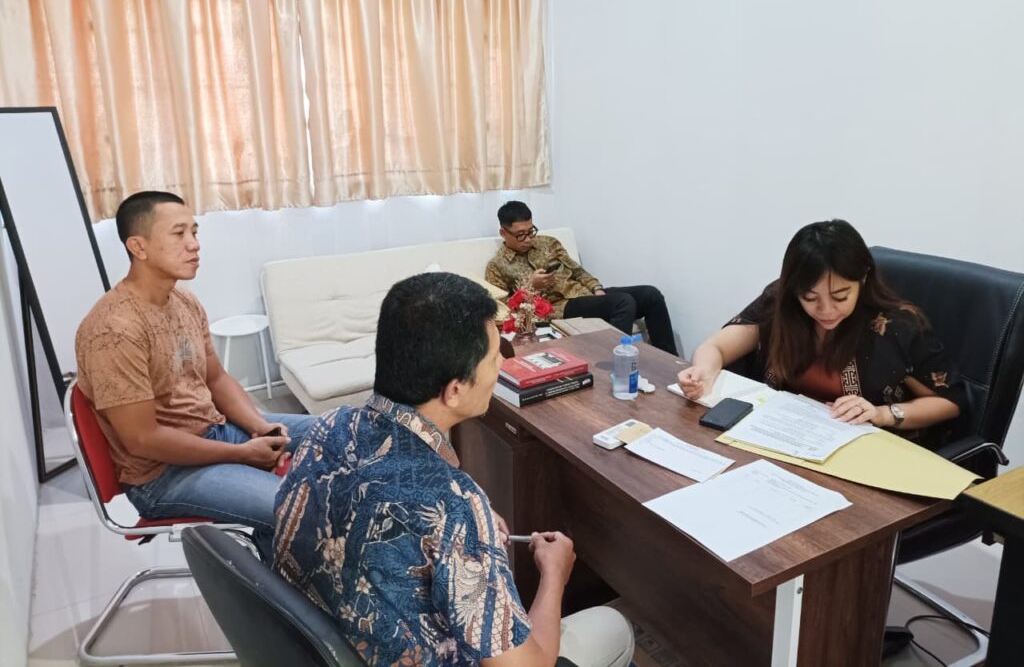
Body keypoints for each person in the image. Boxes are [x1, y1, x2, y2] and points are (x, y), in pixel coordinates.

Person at [274, 272, 634, 667]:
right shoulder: (455, 506)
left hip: (322, 644)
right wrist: (554, 574)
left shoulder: (327, 427)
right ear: (455, 390)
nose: (502, 364)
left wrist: (469, 523)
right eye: (494, 358)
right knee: (612, 626)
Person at [75, 191, 316, 561]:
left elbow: (216, 379)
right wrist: (240, 454)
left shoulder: (184, 301)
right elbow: (142, 439)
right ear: (138, 246)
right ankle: (277, 586)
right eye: (178, 234)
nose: (194, 244)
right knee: (298, 512)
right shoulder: (114, 330)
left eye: (194, 232)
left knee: (346, 431)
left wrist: (258, 426)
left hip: (216, 431)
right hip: (163, 474)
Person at [677, 219, 964, 443]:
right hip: (782, 437)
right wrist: (703, 371)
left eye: (840, 296)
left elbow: (949, 403)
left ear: (863, 279)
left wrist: (882, 414)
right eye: (810, 297)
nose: (826, 310)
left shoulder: (896, 326)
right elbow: (716, 347)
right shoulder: (780, 303)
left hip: (861, 451)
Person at [485, 201, 678, 355]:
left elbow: (577, 271)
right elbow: (503, 310)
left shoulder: (548, 243)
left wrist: (596, 288)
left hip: (585, 295)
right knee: (623, 301)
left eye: (530, 231)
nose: (528, 239)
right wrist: (531, 287)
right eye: (520, 235)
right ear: (503, 232)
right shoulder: (497, 265)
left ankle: (670, 362)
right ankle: (612, 363)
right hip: (560, 307)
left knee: (650, 294)